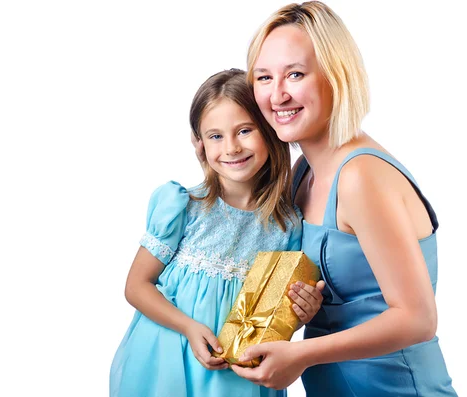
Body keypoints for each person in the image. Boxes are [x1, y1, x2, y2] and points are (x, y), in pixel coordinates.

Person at [226, 2, 458, 396]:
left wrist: (302, 355)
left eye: (295, 74)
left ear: (336, 76)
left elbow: (418, 319)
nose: (277, 94)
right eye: (263, 77)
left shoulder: (360, 176)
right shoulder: (302, 174)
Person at [109, 68, 324, 397]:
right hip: (166, 360)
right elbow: (137, 286)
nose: (232, 147)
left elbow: (274, 319)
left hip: (235, 379)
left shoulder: (288, 225)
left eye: (244, 130)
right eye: (216, 136)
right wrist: (189, 327)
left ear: (269, 129)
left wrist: (301, 312)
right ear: (199, 143)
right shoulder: (183, 206)